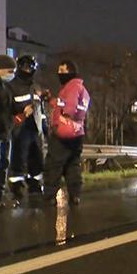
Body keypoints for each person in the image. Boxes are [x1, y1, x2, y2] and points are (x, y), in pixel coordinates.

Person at [44, 60, 90, 206]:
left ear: (71, 71)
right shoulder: (81, 88)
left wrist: (66, 115)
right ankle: (75, 195)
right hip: (77, 132)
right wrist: (51, 100)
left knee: (54, 163)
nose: (59, 73)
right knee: (72, 164)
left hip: (64, 132)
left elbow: (69, 105)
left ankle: (50, 196)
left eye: (62, 71)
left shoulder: (72, 87)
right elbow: (62, 104)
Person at [9, 55, 47, 199]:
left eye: (30, 67)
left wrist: (44, 126)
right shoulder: (11, 86)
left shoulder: (35, 86)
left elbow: (40, 110)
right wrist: (21, 114)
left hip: (34, 128)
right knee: (18, 157)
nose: (27, 69)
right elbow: (7, 109)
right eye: (24, 66)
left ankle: (35, 183)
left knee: (36, 157)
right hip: (19, 128)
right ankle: (16, 185)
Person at [0, 55, 17, 209]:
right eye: (10, 71)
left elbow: (9, 109)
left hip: (6, 132)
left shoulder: (7, 88)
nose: (12, 74)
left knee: (4, 164)